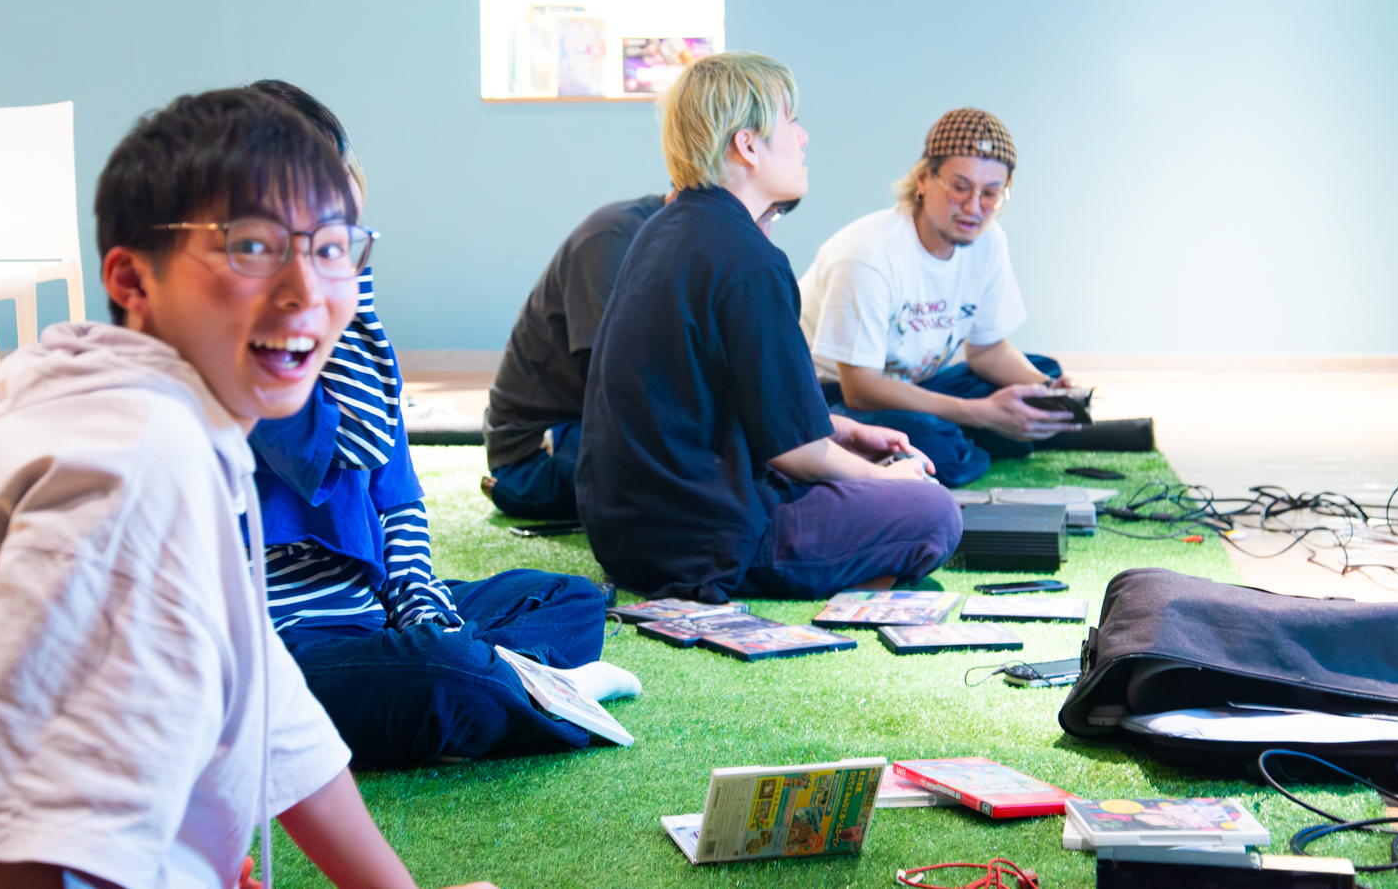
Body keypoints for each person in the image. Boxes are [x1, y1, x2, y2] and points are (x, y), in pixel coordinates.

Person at [0, 90, 451, 889]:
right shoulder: (127, 462)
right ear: (132, 279)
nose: (306, 288)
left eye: (333, 247)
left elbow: (278, 717)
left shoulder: (163, 422)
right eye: (252, 246)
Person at [241, 81, 625, 770]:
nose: (341, 258)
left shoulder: (351, 339)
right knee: (442, 675)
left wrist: (424, 613)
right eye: (324, 238)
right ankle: (521, 687)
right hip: (284, 648)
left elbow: (399, 500)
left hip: (374, 615)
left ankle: (505, 684)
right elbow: (354, 441)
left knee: (571, 599)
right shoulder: (248, 347)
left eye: (347, 238)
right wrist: (348, 299)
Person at [575, 52, 963, 602]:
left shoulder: (661, 230)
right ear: (748, 145)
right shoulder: (748, 259)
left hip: (628, 537)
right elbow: (794, 453)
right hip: (709, 540)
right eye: (790, 120)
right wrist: (887, 478)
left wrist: (840, 431)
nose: (803, 137)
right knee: (933, 510)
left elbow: (714, 402)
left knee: (870, 451)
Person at [800, 107, 1154, 488]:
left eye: (990, 194)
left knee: (1042, 376)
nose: (973, 208)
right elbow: (861, 389)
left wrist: (1048, 389)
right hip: (835, 399)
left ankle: (989, 430)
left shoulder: (988, 242)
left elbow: (987, 351)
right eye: (960, 187)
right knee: (935, 445)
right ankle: (984, 435)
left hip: (917, 386)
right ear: (923, 179)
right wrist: (980, 413)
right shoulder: (867, 256)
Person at [480, 193, 667, 520]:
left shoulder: (701, 248)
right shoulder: (612, 237)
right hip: (535, 454)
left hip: (604, 427)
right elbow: (617, 386)